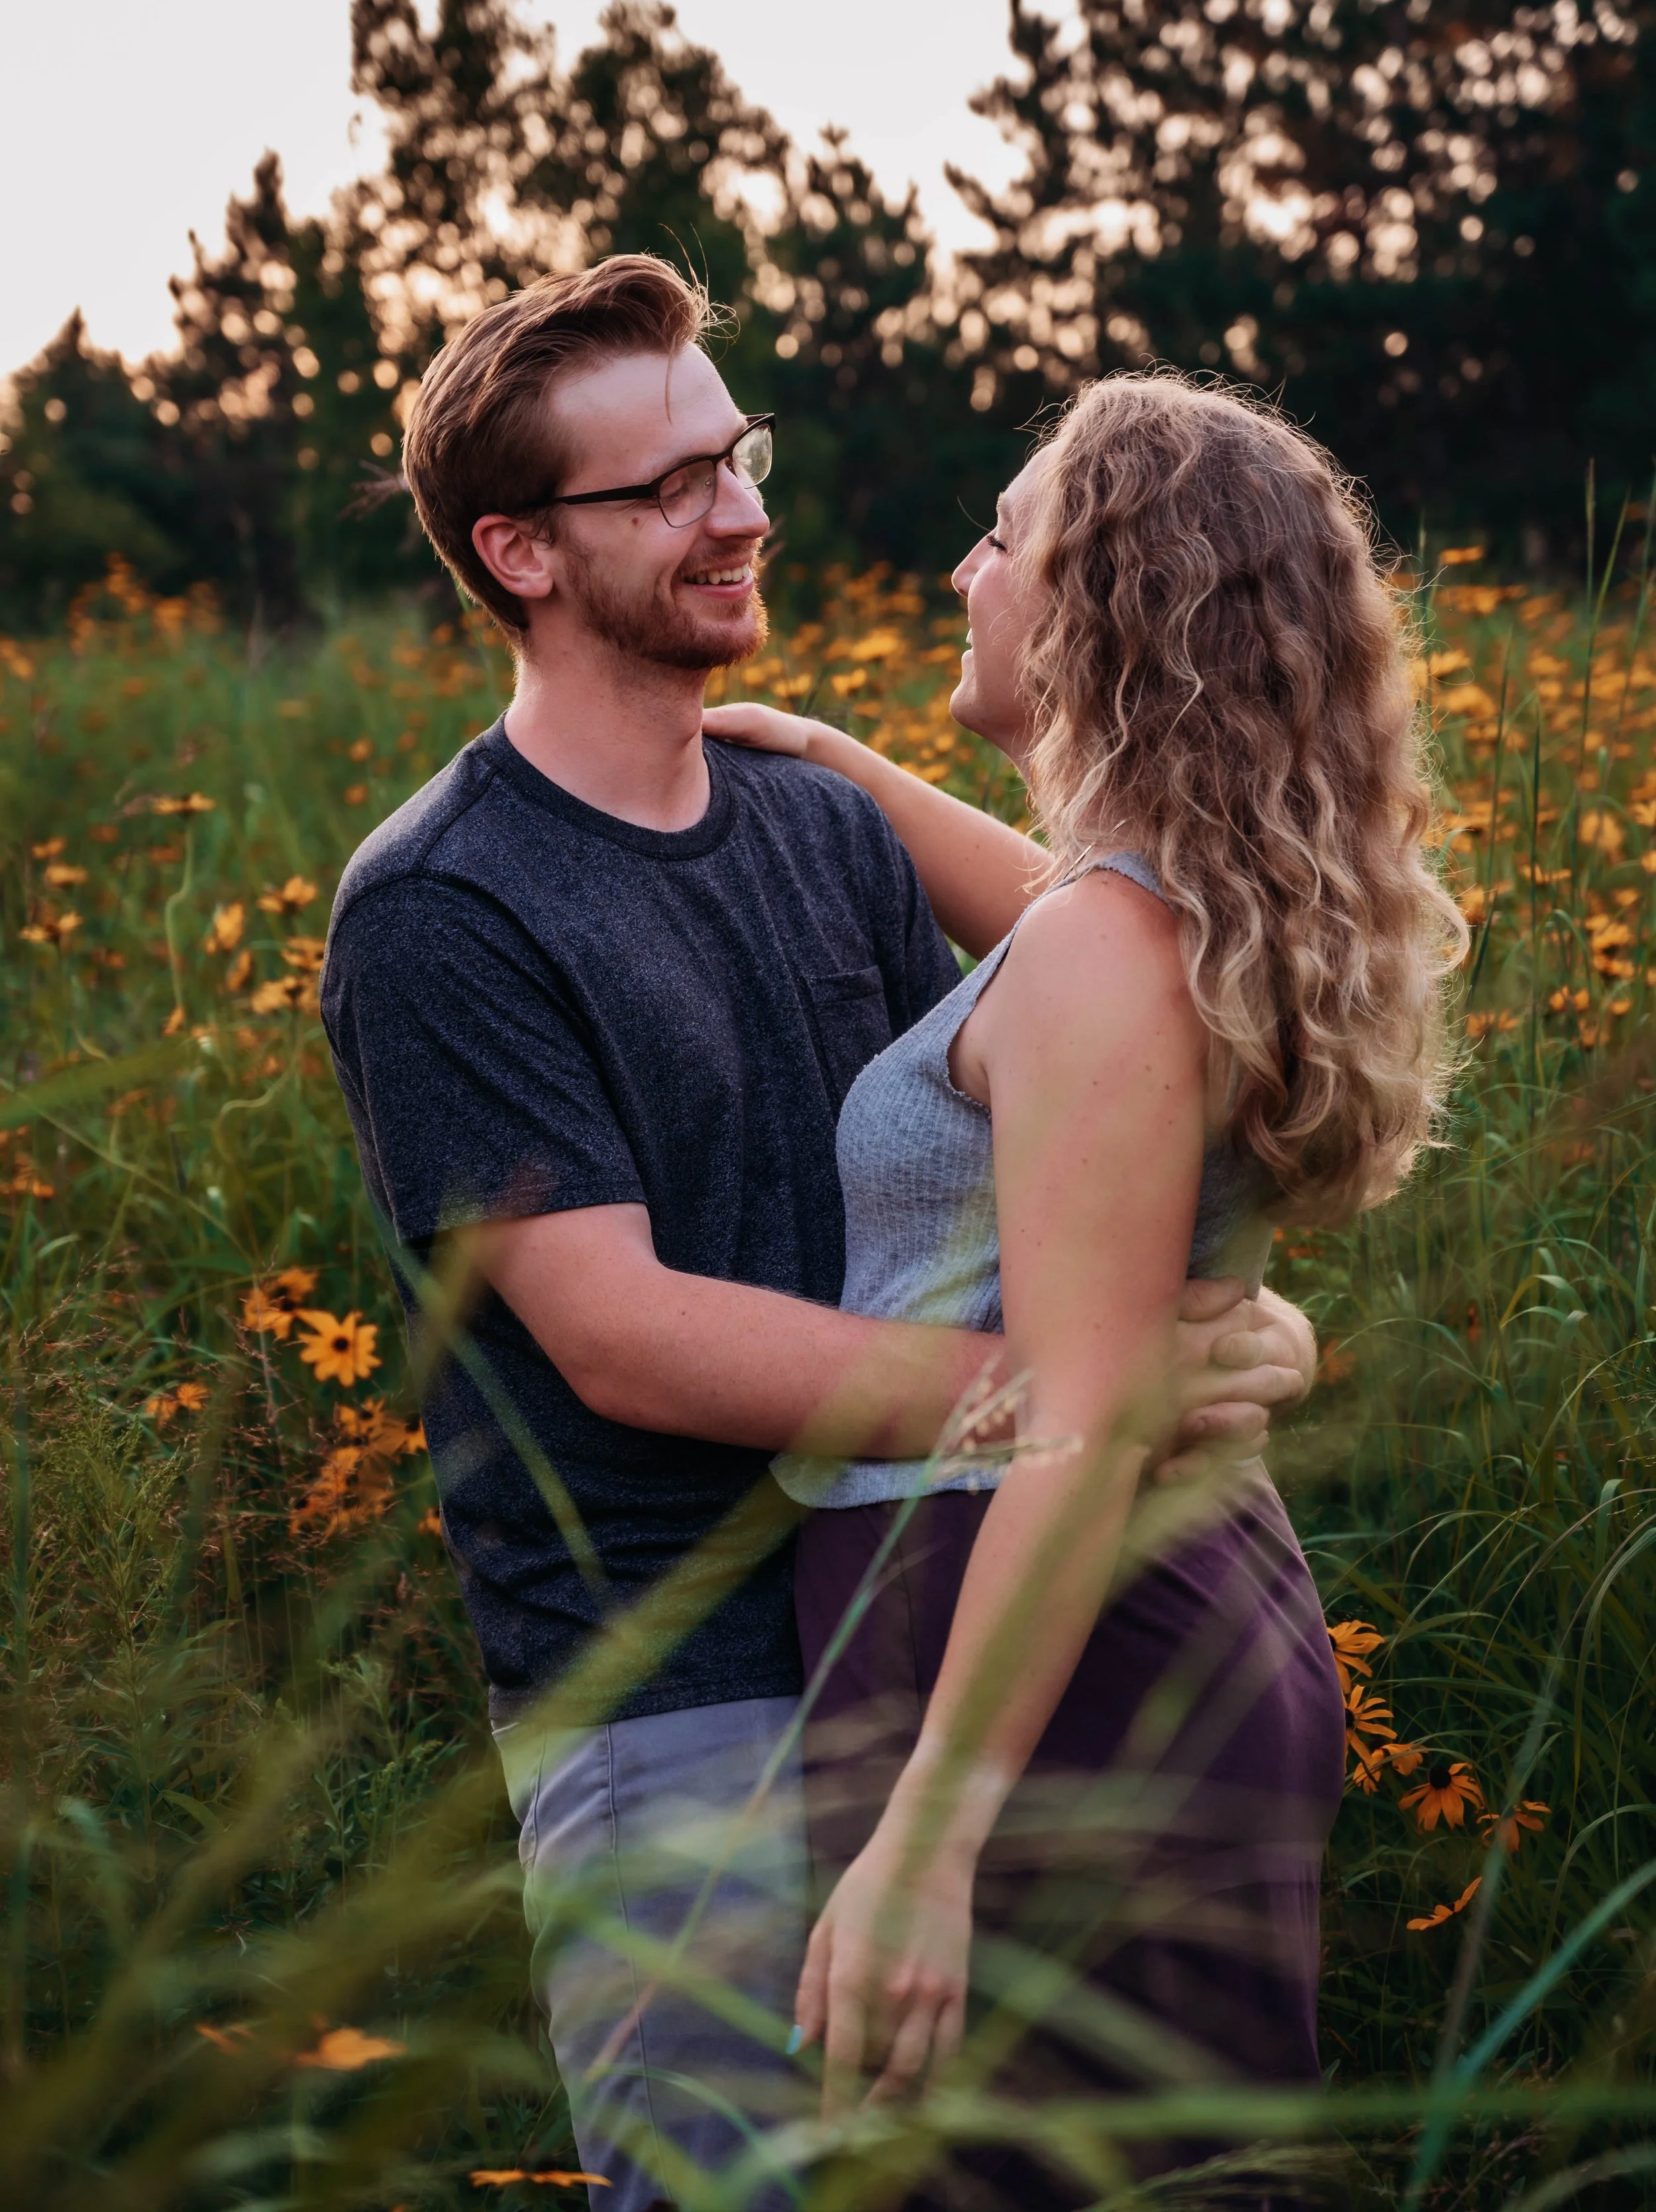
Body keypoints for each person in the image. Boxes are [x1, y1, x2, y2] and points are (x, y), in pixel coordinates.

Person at [319, 259, 1320, 2212]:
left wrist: (1225, 1316)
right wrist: (1081, 1396)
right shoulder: (444, 906)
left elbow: (1076, 1101)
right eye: (673, 484)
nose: (746, 508)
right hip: (676, 1682)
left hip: (931, 1627)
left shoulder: (820, 824)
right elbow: (617, 1334)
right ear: (520, 551)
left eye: (737, 452)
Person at [706, 371, 1463, 2205]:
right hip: (1109, 1610)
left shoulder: (1109, 955)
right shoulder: (1134, 912)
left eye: (1004, 536)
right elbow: (1040, 910)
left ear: (1108, 610)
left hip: (1048, 1649)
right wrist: (828, 759)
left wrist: (928, 1833)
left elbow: (1069, 1414)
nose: (965, 568)